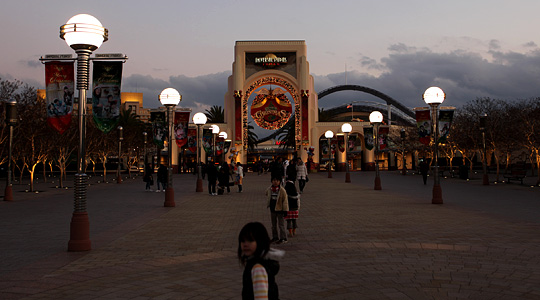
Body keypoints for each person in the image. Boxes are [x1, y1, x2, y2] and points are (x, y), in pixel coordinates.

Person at [238, 222, 283, 300]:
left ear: (260, 242)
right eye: (243, 241)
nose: (245, 244)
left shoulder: (257, 268)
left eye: (250, 240)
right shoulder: (259, 262)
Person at [266, 177, 289, 244]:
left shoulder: (282, 190)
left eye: (277, 180)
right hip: (272, 208)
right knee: (273, 224)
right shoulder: (270, 189)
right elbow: (266, 192)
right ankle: (275, 237)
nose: (275, 182)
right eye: (273, 180)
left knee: (281, 224)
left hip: (280, 209)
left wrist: (285, 210)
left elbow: (285, 201)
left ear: (279, 182)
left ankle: (283, 238)